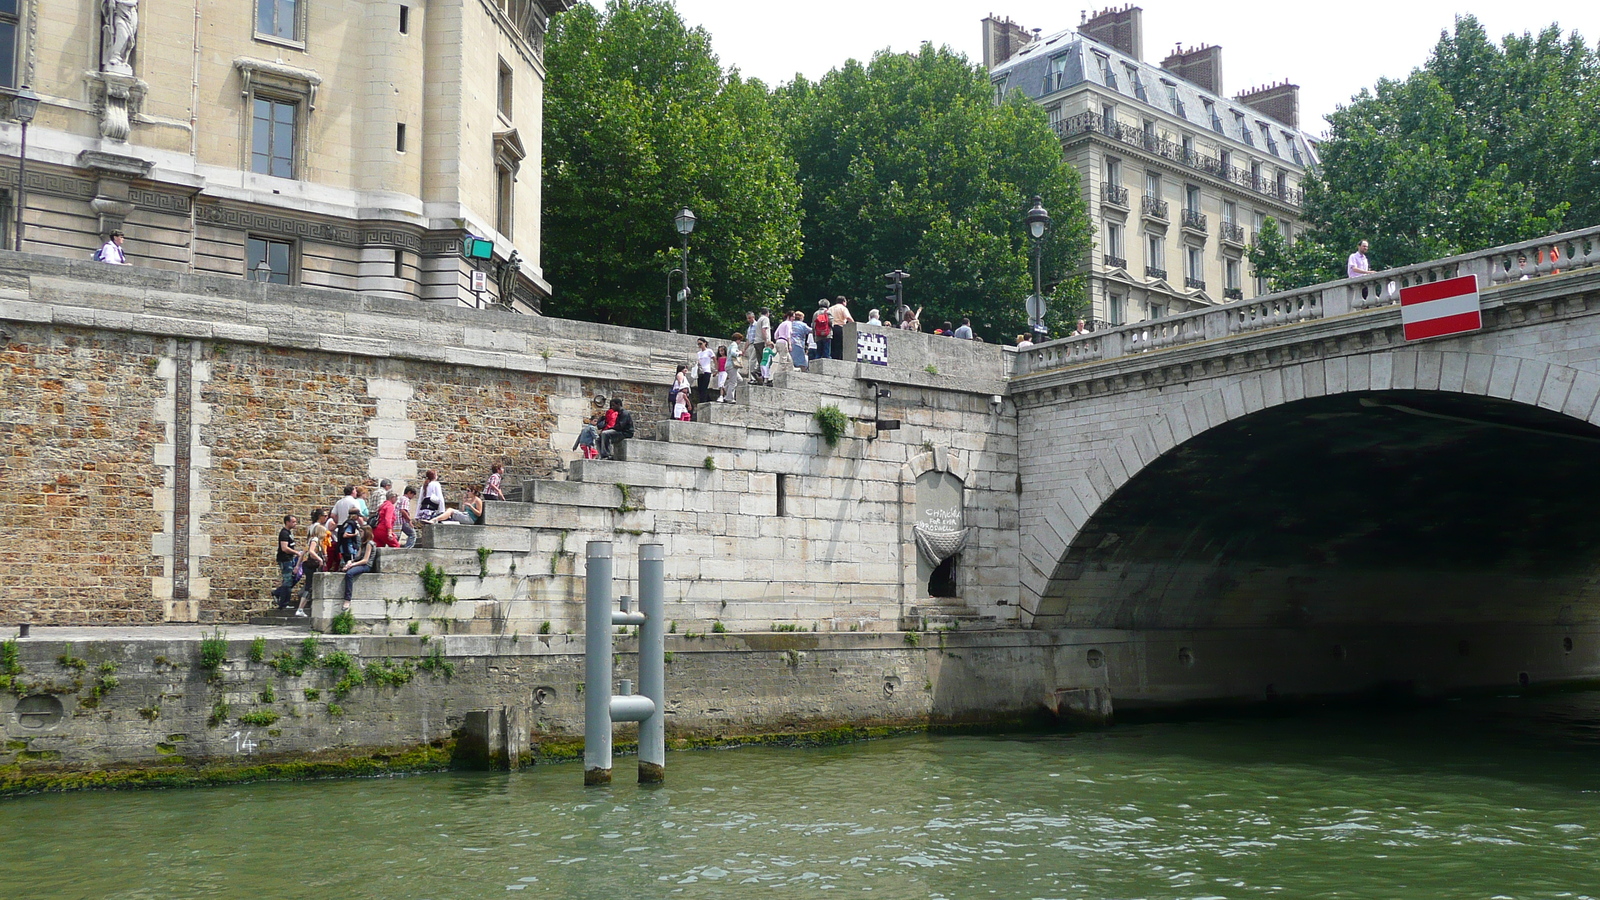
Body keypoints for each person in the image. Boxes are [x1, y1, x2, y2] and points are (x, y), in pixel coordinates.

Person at [294, 508, 331, 616]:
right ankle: (300, 608)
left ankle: (301, 600)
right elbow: (310, 552)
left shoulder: (310, 539)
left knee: (309, 585)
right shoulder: (315, 540)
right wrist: (320, 559)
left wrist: (297, 565)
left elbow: (303, 553)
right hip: (310, 564)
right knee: (309, 586)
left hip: (306, 564)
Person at [341, 522, 377, 609]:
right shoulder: (363, 544)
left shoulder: (369, 544)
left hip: (366, 566)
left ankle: (347, 599)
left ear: (366, 532)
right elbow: (357, 557)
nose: (359, 533)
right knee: (343, 569)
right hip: (360, 563)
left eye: (361, 532)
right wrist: (350, 562)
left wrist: (352, 565)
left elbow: (365, 560)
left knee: (349, 574)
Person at [273, 514, 298, 607]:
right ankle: (284, 603)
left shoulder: (289, 533)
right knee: (287, 581)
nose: (295, 523)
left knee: (290, 580)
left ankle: (278, 593)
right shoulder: (284, 533)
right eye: (293, 522)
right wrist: (296, 552)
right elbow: (284, 548)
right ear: (287, 522)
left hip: (289, 559)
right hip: (285, 560)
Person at [724, 334, 745, 404]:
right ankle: (729, 398)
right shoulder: (734, 345)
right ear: (738, 339)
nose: (740, 342)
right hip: (732, 366)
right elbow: (733, 353)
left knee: (740, 380)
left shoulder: (731, 345)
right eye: (740, 340)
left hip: (728, 366)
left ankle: (726, 388)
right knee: (733, 383)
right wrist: (739, 353)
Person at [695, 338, 714, 404]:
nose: (700, 345)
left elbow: (714, 359)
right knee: (700, 387)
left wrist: (717, 368)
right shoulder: (699, 353)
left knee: (704, 387)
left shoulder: (709, 351)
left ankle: (703, 401)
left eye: (701, 344)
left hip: (707, 371)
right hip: (701, 371)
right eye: (698, 344)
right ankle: (707, 399)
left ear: (705, 343)